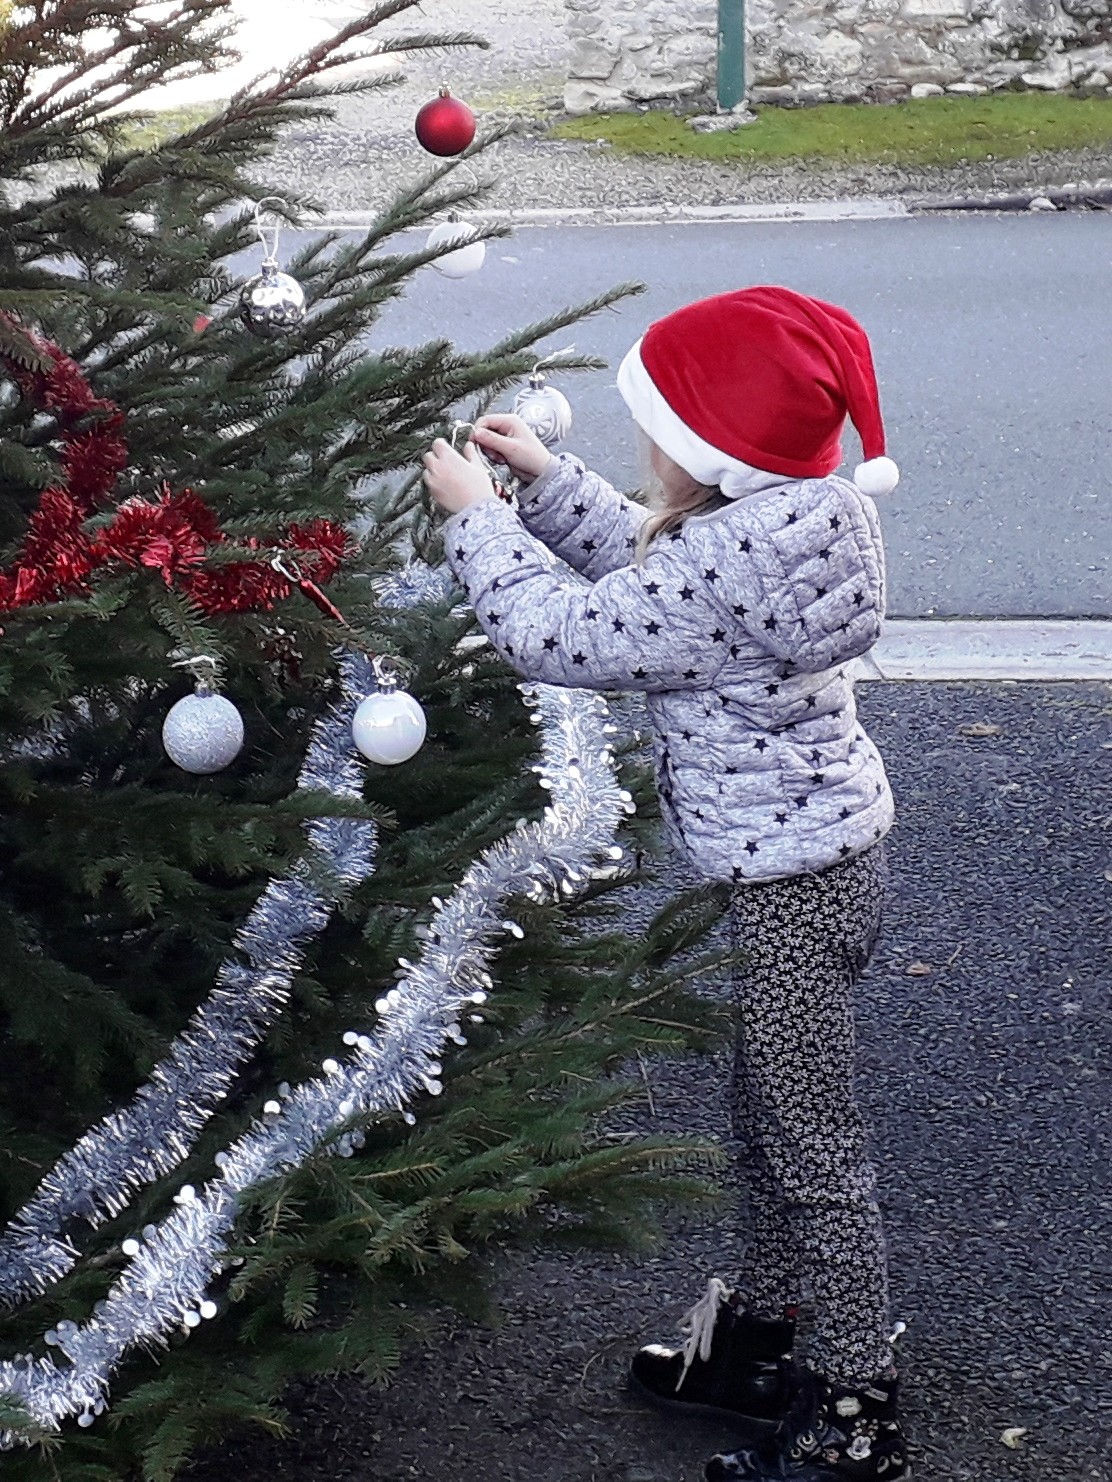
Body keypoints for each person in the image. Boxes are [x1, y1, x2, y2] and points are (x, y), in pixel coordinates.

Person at [422, 285, 908, 1482]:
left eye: (656, 430)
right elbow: (656, 573)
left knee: (807, 1143)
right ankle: (764, 1333)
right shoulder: (795, 514)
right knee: (765, 1112)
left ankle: (855, 1415)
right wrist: (545, 477)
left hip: (791, 880)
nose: (641, 449)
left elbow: (568, 635)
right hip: (820, 856)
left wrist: (481, 520)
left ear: (704, 450)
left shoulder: (729, 555)